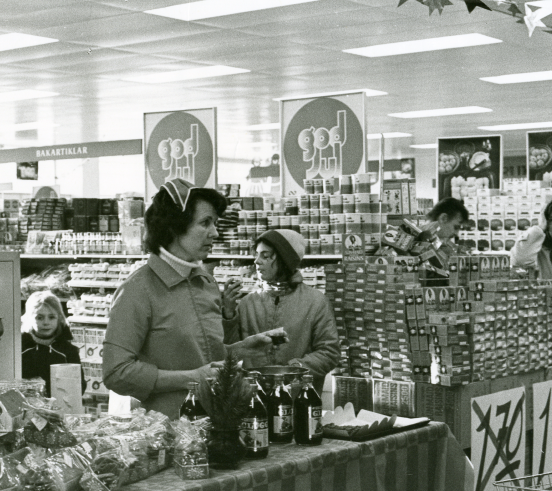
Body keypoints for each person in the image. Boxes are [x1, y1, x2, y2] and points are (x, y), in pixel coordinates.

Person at [102, 179, 271, 418]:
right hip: (171, 433)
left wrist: (240, 350)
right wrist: (190, 379)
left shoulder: (206, 283)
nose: (215, 232)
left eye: (215, 223)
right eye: (205, 223)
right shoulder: (137, 291)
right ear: (174, 226)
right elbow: (116, 372)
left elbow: (202, 357)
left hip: (220, 421)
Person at [222, 229, 339, 380]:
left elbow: (329, 353)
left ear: (285, 260)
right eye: (256, 255)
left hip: (298, 395)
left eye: (265, 256)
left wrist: (293, 370)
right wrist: (229, 313)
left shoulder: (316, 301)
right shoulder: (247, 303)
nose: (256, 261)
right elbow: (230, 353)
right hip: (253, 396)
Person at [21, 290, 81, 396]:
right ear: (28, 318)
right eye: (39, 317)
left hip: (61, 405)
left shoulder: (68, 351)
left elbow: (81, 386)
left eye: (51, 317)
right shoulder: (21, 348)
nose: (46, 322)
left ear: (60, 318)